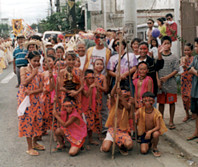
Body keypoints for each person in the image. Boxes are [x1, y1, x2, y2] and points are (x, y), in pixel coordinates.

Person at [84, 27, 111, 133]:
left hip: (102, 81)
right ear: (94, 38)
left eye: (102, 37)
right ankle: (90, 128)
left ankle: (104, 128)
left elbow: (108, 68)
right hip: (90, 81)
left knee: (103, 107)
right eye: (97, 37)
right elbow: (86, 65)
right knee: (90, 106)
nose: (99, 39)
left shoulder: (107, 51)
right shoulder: (90, 50)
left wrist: (106, 84)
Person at [17, 51, 44, 156]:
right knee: (28, 122)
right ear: (29, 60)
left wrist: (32, 92)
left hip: (36, 99)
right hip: (26, 100)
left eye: (38, 61)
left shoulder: (40, 73)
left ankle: (35, 142)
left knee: (37, 121)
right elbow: (24, 83)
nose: (36, 63)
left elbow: (41, 88)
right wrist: (33, 74)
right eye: (34, 61)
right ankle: (29, 147)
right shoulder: (24, 69)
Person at [101, 78, 133, 155]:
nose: (123, 98)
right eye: (121, 96)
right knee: (105, 148)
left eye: (126, 96)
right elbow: (112, 94)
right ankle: (109, 142)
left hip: (123, 131)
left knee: (129, 146)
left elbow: (127, 107)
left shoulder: (129, 104)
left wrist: (121, 96)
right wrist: (116, 84)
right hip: (113, 129)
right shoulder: (113, 103)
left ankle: (121, 146)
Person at [157, 36, 179, 130]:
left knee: (171, 102)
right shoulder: (158, 56)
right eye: (164, 43)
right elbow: (156, 70)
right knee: (161, 103)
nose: (166, 45)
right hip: (161, 85)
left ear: (171, 45)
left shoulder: (174, 57)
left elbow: (176, 70)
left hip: (171, 83)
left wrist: (167, 77)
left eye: (168, 43)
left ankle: (171, 121)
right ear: (161, 44)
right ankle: (160, 121)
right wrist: (158, 80)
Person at [136, 92, 167, 157]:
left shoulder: (156, 112)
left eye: (149, 100)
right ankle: (148, 143)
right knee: (143, 151)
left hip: (152, 132)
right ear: (143, 101)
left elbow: (158, 127)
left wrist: (150, 132)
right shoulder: (140, 110)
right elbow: (132, 118)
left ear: (153, 101)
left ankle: (154, 147)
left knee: (156, 134)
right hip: (144, 133)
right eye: (145, 100)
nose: (147, 102)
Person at [137, 41, 164, 107]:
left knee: (151, 111)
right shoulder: (135, 61)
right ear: (138, 50)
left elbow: (159, 66)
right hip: (138, 91)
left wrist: (159, 54)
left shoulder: (152, 61)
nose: (142, 51)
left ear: (148, 50)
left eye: (144, 49)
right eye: (141, 49)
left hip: (150, 91)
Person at [82, 69, 99, 145]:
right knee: (84, 124)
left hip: (91, 108)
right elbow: (86, 95)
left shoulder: (94, 86)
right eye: (89, 78)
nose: (91, 80)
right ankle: (82, 141)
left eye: (93, 78)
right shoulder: (83, 86)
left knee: (91, 124)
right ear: (85, 78)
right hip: (84, 108)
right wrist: (91, 87)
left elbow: (96, 96)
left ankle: (90, 139)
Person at [186, 37, 198, 141]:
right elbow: (189, 68)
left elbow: (193, 71)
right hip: (194, 90)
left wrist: (194, 71)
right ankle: (196, 132)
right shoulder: (195, 58)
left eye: (197, 46)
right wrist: (193, 71)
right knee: (196, 113)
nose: (196, 48)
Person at [180, 43, 195, 122]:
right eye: (185, 50)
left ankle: (193, 112)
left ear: (191, 51)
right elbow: (180, 69)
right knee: (184, 98)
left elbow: (192, 69)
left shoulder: (194, 58)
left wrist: (186, 66)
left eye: (188, 50)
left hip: (191, 80)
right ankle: (187, 114)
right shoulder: (182, 58)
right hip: (184, 80)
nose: (186, 52)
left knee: (191, 97)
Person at [94, 59, 108, 139]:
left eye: (101, 64)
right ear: (94, 65)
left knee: (101, 112)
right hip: (92, 97)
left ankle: (102, 129)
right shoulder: (91, 75)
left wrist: (98, 86)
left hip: (100, 96)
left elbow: (105, 89)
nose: (99, 66)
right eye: (97, 64)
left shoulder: (103, 77)